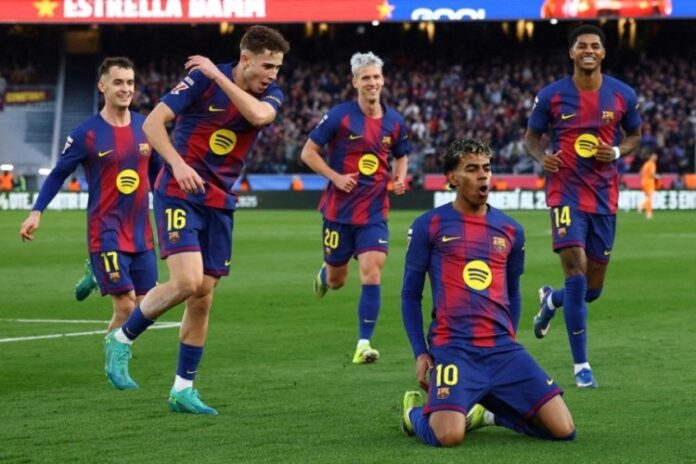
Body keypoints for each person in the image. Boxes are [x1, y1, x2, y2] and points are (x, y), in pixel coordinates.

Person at [103, 26, 290, 415]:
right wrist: (177, 164)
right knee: (187, 281)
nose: (272, 74)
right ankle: (121, 339)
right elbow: (152, 124)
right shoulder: (200, 81)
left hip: (219, 201)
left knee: (202, 296)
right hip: (179, 190)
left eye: (277, 67)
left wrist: (219, 75)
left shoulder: (266, 92)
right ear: (246, 59)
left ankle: (182, 390)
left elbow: (259, 116)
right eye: (267, 66)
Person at [400, 139, 575, 447]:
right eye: (471, 169)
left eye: (486, 168)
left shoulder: (511, 230)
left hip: (502, 350)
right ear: (452, 178)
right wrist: (421, 352)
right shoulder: (430, 224)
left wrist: (511, 337)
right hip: (453, 348)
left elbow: (513, 293)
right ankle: (414, 413)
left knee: (563, 429)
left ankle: (489, 414)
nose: (482, 176)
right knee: (448, 435)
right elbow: (410, 294)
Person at [525, 25, 641, 388]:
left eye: (594, 46)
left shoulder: (623, 95)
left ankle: (551, 300)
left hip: (604, 197)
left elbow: (635, 135)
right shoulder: (551, 96)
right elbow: (531, 137)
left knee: (591, 290)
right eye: (581, 46)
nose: (588, 50)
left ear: (603, 53)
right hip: (565, 193)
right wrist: (542, 157)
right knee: (575, 270)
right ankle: (581, 368)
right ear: (572, 53)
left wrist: (617, 151)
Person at [19, 57, 161, 330]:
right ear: (102, 86)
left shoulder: (147, 127)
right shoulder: (86, 134)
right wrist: (36, 212)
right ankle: (114, 357)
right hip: (105, 230)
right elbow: (59, 173)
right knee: (125, 307)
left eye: (130, 82)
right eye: (118, 82)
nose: (126, 89)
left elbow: (158, 174)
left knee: (147, 306)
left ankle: (96, 272)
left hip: (140, 231)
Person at [300, 51, 409, 364]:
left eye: (376, 77)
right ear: (355, 82)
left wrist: (400, 178)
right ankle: (326, 273)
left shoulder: (395, 122)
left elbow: (401, 155)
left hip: (374, 212)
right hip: (339, 212)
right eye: (366, 78)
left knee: (372, 271)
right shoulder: (340, 116)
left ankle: (363, 344)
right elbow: (308, 152)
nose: (372, 82)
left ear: (383, 80)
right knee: (338, 280)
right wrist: (335, 177)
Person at [638, 153, 658, 219]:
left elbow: (641, 173)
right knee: (649, 198)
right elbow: (652, 174)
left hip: (643, 182)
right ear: (651, 157)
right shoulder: (652, 164)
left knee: (647, 198)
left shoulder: (646, 164)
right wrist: (657, 177)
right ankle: (648, 213)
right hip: (649, 183)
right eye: (655, 156)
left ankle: (642, 206)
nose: (656, 158)